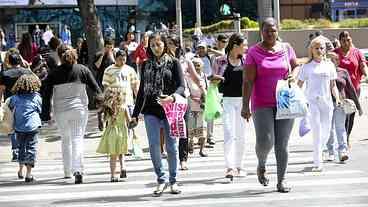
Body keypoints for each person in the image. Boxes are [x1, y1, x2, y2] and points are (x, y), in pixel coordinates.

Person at [242, 18, 299, 193]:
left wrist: (293, 76)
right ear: (261, 31)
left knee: (282, 143)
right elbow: (248, 81)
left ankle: (282, 180)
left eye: (273, 30)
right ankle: (262, 163)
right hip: (262, 103)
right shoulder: (253, 52)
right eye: (266, 30)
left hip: (284, 101)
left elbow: (296, 66)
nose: (270, 33)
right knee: (265, 141)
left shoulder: (287, 48)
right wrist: (245, 105)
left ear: (278, 30)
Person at [130, 32, 185, 196]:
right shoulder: (145, 65)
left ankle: (173, 180)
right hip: (150, 111)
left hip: (170, 109)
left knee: (172, 147)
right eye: (152, 45)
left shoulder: (174, 63)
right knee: (154, 146)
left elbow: (182, 86)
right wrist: (134, 114)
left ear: (165, 45)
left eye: (158, 44)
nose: (155, 48)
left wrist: (172, 97)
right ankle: (161, 179)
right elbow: (141, 92)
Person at [43, 44, 102, 184]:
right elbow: (96, 89)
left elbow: (46, 95)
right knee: (77, 139)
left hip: (61, 111)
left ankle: (67, 171)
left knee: (65, 139)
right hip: (79, 110)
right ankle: (78, 170)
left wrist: (45, 114)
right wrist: (102, 105)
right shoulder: (83, 70)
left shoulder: (53, 73)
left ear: (60, 56)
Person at [297, 37, 341, 172]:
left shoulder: (329, 65)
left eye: (321, 48)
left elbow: (333, 85)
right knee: (317, 131)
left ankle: (319, 150)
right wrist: (298, 100)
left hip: (327, 103)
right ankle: (318, 162)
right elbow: (299, 84)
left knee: (326, 131)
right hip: (312, 103)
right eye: (316, 48)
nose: (319, 50)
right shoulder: (306, 66)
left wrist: (337, 99)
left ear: (325, 50)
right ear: (311, 49)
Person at [166, 35, 205, 170]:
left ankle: (183, 159)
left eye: (172, 43)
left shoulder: (185, 61)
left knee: (183, 129)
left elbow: (195, 77)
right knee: (170, 129)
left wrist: (203, 89)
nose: (169, 46)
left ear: (177, 45)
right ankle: (172, 156)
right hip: (168, 98)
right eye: (168, 43)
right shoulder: (163, 60)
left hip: (183, 98)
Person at [213, 33, 248, 179]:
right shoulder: (220, 60)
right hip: (226, 100)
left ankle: (239, 166)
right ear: (235, 46)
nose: (246, 48)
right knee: (228, 133)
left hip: (243, 101)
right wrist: (215, 79)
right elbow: (213, 81)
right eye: (244, 45)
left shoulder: (246, 61)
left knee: (241, 135)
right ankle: (230, 167)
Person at [326, 52, 362, 162]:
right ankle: (330, 151)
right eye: (329, 60)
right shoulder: (323, 72)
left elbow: (351, 89)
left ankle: (342, 151)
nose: (332, 62)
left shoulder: (343, 72)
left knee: (340, 127)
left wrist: (358, 106)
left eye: (334, 60)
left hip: (340, 103)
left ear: (338, 61)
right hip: (326, 104)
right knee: (329, 129)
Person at [334, 31, 368, 148]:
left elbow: (363, 65)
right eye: (344, 40)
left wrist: (366, 74)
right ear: (340, 41)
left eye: (348, 39)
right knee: (342, 114)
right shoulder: (335, 53)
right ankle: (341, 139)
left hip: (355, 89)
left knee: (351, 114)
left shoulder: (357, 52)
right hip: (341, 90)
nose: (347, 42)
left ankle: (347, 136)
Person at [0, 51, 33, 167]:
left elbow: (2, 89)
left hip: (11, 102)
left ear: (9, 62)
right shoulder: (27, 72)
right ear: (20, 61)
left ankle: (16, 151)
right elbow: (34, 83)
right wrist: (28, 66)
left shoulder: (5, 74)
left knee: (12, 127)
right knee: (25, 125)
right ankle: (26, 149)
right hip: (26, 101)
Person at [8, 74, 42, 183]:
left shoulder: (14, 98)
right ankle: (29, 174)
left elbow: (10, 108)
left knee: (21, 148)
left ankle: (21, 170)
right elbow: (39, 109)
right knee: (31, 148)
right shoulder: (36, 97)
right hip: (33, 126)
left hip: (19, 127)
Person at [96, 87, 129, 182]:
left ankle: (113, 175)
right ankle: (123, 168)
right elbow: (129, 121)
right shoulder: (124, 108)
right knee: (121, 152)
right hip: (122, 133)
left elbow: (104, 120)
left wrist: (100, 122)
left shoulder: (109, 109)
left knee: (113, 155)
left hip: (111, 133)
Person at [196, 42, 215, 146]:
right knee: (199, 114)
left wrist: (211, 50)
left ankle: (210, 136)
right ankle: (200, 137)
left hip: (210, 88)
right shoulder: (193, 58)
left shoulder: (211, 58)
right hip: (198, 89)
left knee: (210, 114)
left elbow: (222, 54)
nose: (201, 50)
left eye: (203, 48)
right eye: (199, 48)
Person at [188, 57, 208, 158]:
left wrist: (204, 100)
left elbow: (207, 90)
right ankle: (190, 143)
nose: (196, 67)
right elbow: (187, 91)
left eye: (198, 65)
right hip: (191, 106)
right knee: (191, 127)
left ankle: (202, 149)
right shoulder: (187, 77)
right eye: (194, 64)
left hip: (202, 107)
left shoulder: (204, 77)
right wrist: (195, 99)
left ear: (202, 66)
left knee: (203, 129)